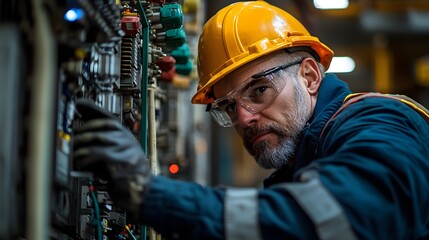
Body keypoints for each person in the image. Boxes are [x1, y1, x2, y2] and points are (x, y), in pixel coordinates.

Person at [72, 1, 429, 239]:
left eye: (259, 91)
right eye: (228, 106)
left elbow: (344, 216)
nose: (244, 118)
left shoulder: (381, 122)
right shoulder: (305, 162)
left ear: (309, 77)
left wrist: (154, 197)